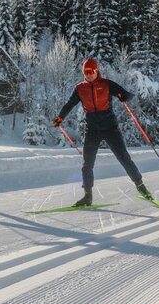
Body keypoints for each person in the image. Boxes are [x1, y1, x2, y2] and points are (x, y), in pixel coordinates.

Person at [53, 58, 152, 206]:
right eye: (86, 72)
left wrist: (123, 96)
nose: (89, 75)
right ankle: (87, 196)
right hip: (92, 130)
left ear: (96, 71)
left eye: (91, 72)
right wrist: (60, 117)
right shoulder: (80, 88)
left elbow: (126, 94)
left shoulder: (106, 84)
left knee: (124, 157)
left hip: (110, 128)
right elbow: (69, 104)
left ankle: (141, 187)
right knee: (87, 164)